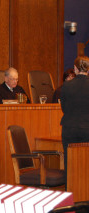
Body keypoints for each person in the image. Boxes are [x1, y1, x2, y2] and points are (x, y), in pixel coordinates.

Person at [60, 55, 89, 188]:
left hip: (70, 129)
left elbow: (64, 108)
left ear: (75, 69)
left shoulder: (66, 86)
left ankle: (70, 196)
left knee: (70, 164)